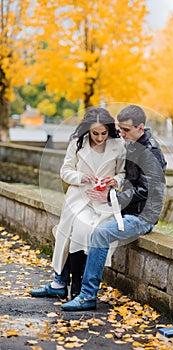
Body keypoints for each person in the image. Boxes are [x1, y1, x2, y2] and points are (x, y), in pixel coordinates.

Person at [61, 104, 167, 311]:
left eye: (126, 130)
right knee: (78, 225)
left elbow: (145, 192)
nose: (120, 134)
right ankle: (61, 282)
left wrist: (110, 197)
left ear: (141, 127)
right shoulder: (132, 143)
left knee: (99, 233)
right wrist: (113, 183)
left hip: (142, 217)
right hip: (125, 210)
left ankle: (87, 295)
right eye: (119, 129)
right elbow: (126, 178)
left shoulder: (150, 153)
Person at [29, 107, 126, 300]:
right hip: (78, 197)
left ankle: (72, 286)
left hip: (101, 200)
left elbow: (122, 173)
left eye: (104, 133)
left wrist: (114, 181)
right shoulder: (77, 143)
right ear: (87, 130)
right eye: (95, 133)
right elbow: (65, 171)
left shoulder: (119, 145)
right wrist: (81, 177)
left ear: (110, 130)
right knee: (67, 234)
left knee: (81, 234)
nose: (99, 137)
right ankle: (63, 284)